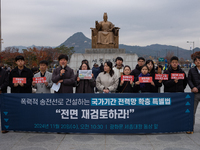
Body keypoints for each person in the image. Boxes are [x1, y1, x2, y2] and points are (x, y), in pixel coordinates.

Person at [188, 56, 200, 133]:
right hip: (195, 93)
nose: (198, 61)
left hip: (197, 89)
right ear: (194, 62)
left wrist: (197, 88)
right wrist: (192, 87)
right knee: (192, 111)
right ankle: (190, 128)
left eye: (199, 60)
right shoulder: (191, 70)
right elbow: (189, 80)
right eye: (196, 60)